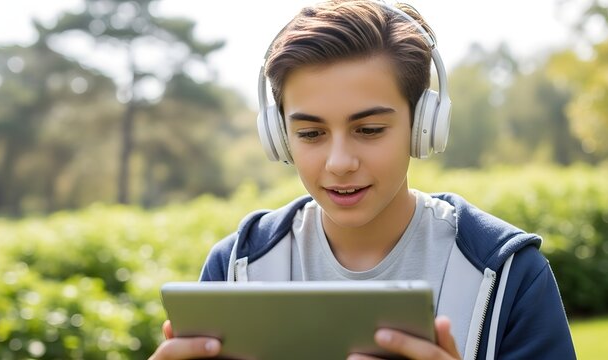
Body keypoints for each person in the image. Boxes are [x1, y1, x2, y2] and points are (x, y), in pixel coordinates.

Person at [149, 1, 576, 359]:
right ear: (279, 138)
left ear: (423, 127)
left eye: (369, 130)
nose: (339, 162)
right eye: (311, 133)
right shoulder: (235, 269)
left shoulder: (508, 273)